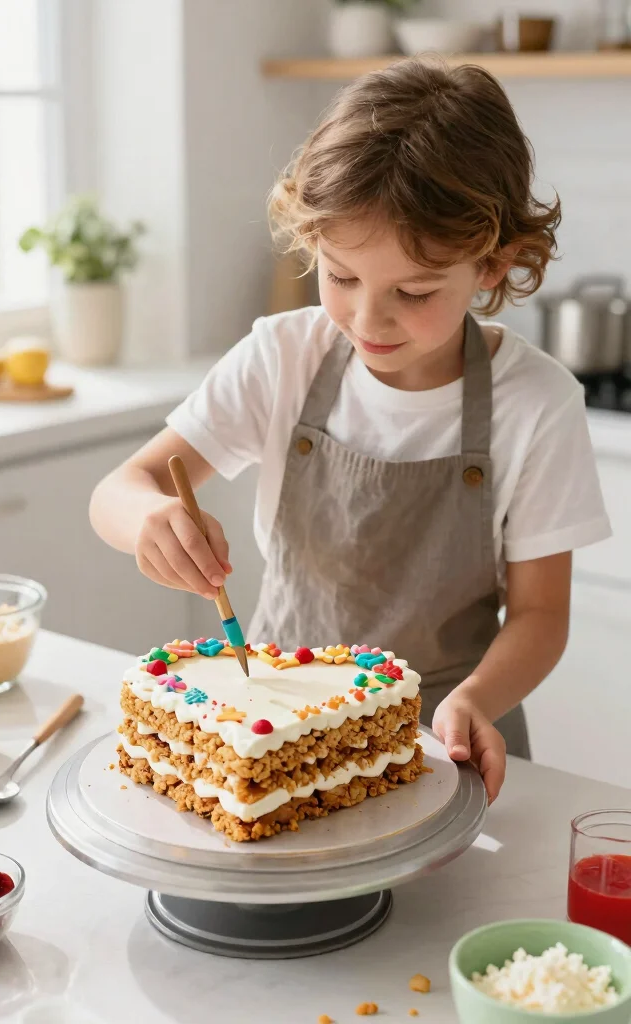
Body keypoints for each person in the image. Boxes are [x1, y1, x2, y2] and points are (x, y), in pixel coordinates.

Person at [90, 58, 610, 804]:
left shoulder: (537, 403)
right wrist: (150, 519)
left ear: (492, 265)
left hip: (444, 740)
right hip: (277, 729)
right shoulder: (283, 358)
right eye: (339, 276)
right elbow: (119, 489)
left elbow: (539, 615)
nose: (369, 319)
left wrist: (476, 700)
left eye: (415, 291)